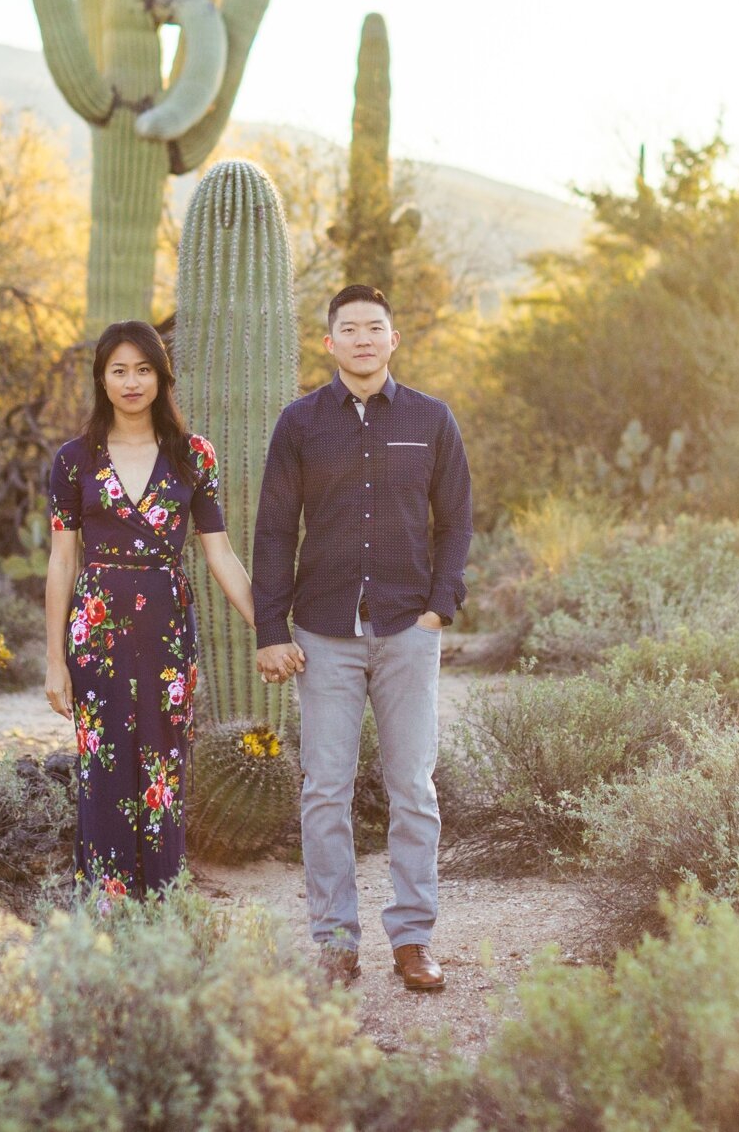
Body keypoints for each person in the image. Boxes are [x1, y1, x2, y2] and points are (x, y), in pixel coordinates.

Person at [251, 285, 473, 992]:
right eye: (348, 329)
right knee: (325, 792)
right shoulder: (300, 424)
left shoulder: (431, 421)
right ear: (330, 343)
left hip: (409, 627)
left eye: (375, 327)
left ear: (393, 339)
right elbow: (276, 529)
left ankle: (412, 940)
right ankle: (336, 943)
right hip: (326, 633)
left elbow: (458, 520)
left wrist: (441, 606)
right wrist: (269, 627)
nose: (363, 339)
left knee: (412, 787)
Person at [44, 319, 259, 905]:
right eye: (119, 370)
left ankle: (163, 909)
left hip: (167, 631)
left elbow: (221, 553)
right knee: (103, 769)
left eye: (143, 369)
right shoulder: (72, 460)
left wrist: (271, 629)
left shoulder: (194, 456)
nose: (132, 382)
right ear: (102, 380)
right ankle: (107, 915)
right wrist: (55, 662)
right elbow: (62, 564)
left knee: (163, 770)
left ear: (162, 378)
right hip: (97, 633)